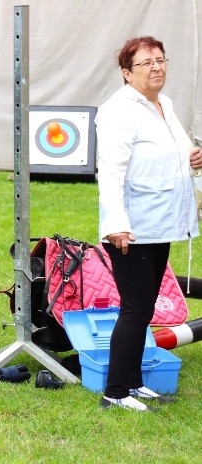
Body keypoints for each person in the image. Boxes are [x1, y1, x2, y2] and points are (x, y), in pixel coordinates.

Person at [96, 35, 201, 412]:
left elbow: (175, 148)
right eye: (146, 62)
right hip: (132, 230)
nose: (157, 67)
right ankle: (115, 392)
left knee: (144, 309)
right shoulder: (117, 111)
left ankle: (134, 383)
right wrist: (116, 224)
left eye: (161, 59)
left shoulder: (163, 104)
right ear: (127, 73)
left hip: (161, 224)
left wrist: (192, 158)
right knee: (135, 308)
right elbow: (110, 172)